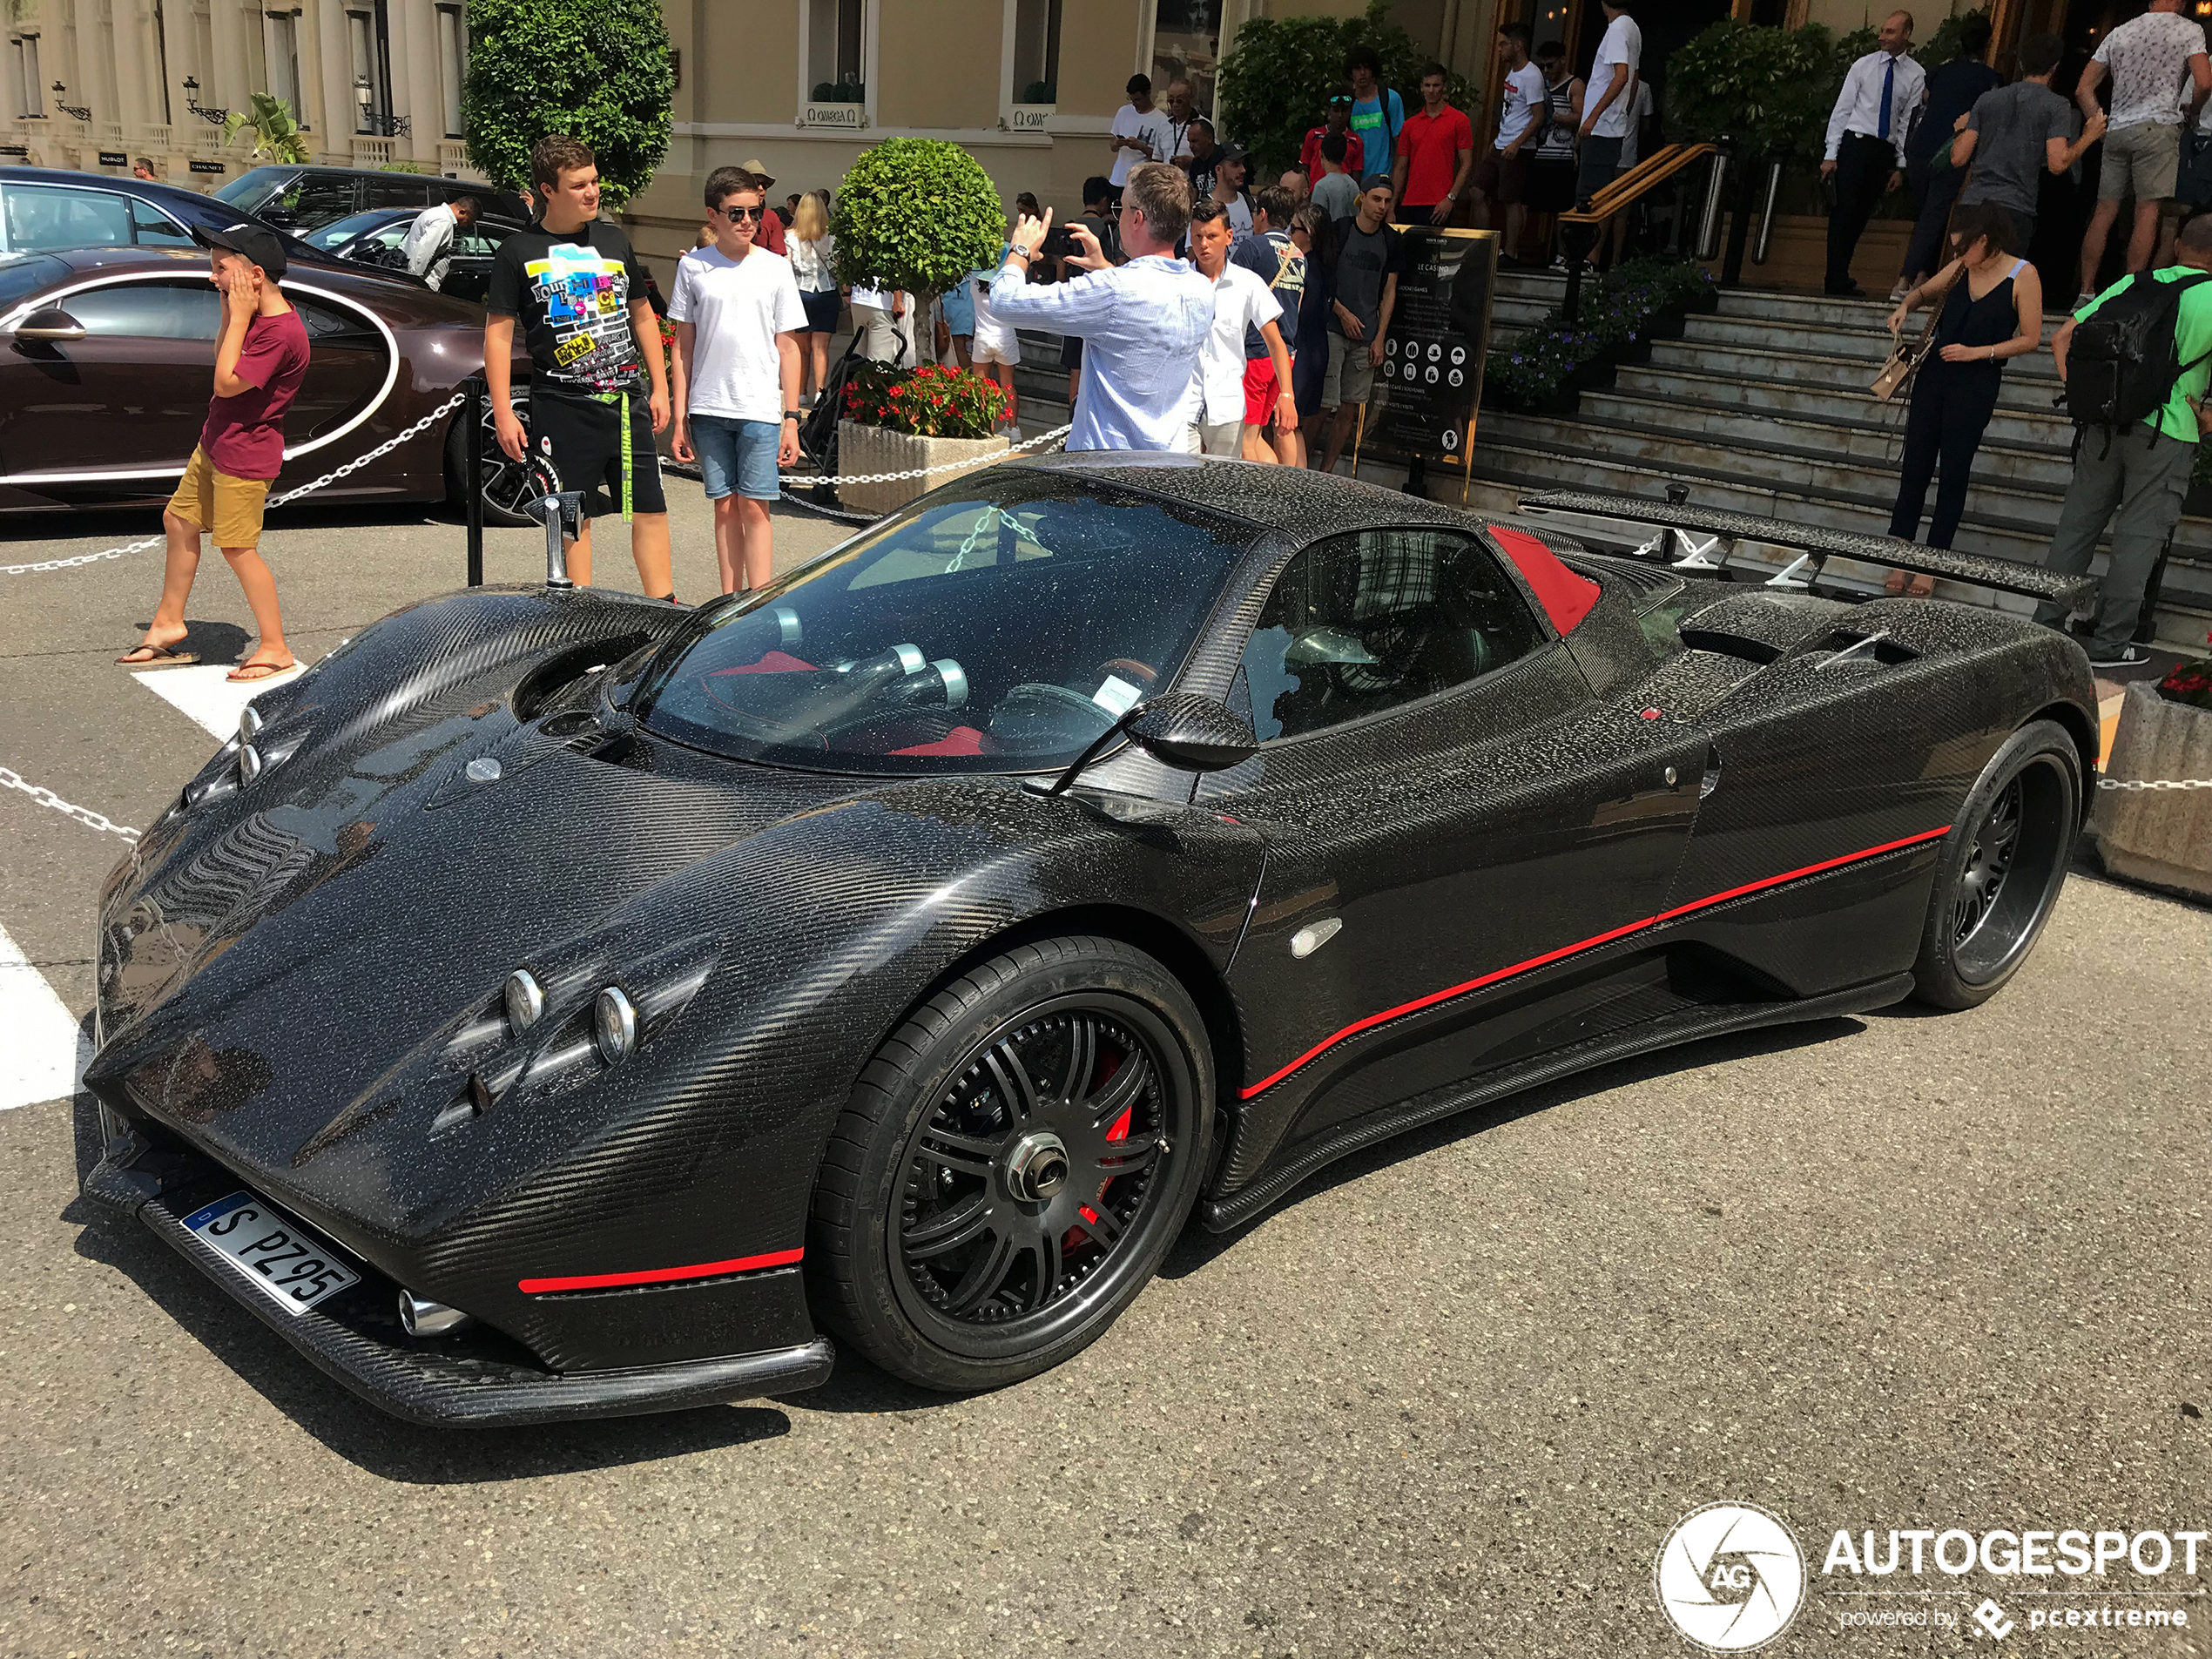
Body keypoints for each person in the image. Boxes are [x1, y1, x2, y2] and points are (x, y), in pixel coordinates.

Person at [485, 134, 674, 600]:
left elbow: (643, 314)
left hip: (625, 398)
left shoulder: (613, 239)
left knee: (648, 507)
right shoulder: (517, 251)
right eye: (578, 185)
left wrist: (660, 386)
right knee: (571, 515)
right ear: (548, 190)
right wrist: (505, 412)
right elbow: (498, 334)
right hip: (562, 404)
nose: (592, 192)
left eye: (594, 181)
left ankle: (666, 609)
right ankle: (578, 610)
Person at [118, 224, 308, 680]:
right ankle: (168, 623)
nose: (213, 278)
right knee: (178, 519)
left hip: (246, 453)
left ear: (254, 275)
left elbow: (224, 384)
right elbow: (222, 356)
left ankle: (275, 646)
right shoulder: (256, 320)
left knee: (238, 547)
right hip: (217, 441)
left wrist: (239, 318)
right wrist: (231, 313)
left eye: (220, 270)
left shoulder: (280, 332)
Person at [2039, 212, 2212, 670]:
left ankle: (2044, 628)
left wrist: (2084, 397)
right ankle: (2109, 645)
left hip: (2101, 426)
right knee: (2138, 539)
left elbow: (2061, 338)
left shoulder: (2132, 283)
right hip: (2167, 432)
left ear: (2177, 247)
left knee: (2076, 528)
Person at [988, 162, 1213, 452]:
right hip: (1165, 465)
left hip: (1106, 473)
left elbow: (1005, 301)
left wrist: (1019, 250)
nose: (1117, 219)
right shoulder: (1201, 290)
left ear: (1137, 219)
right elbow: (1143, 301)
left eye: (1122, 209)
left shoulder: (1114, 290)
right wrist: (1106, 269)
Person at [1883, 205, 2043, 577]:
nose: (1959, 256)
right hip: (1936, 372)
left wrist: (1978, 353)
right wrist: (1905, 306)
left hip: (1976, 380)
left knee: (1954, 470)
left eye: (1964, 248)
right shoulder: (1960, 269)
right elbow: (1923, 293)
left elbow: (2031, 339)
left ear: (1985, 242)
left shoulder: (2023, 274)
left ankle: (1934, 561)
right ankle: (1898, 549)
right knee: (1916, 463)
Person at [667, 167, 803, 597]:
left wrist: (792, 417)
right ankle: (729, 601)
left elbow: (789, 348)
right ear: (714, 214)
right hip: (708, 408)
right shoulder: (692, 268)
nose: (748, 221)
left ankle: (758, 603)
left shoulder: (777, 268)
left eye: (755, 211)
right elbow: (682, 347)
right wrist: (678, 416)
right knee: (724, 507)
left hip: (760, 408)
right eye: (736, 212)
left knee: (756, 507)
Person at [2073, 0, 2212, 307]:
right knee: (2147, 212)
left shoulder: (2121, 32)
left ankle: (2085, 291)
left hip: (2119, 128)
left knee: (2104, 211)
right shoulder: (2188, 29)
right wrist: (2193, 112)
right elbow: (2204, 82)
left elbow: (2083, 88)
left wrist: (2099, 123)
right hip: (2159, 126)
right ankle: (2130, 290)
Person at [1952, 35, 2105, 263]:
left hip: (1973, 204)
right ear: (2055, 67)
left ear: (2021, 64)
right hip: (2014, 209)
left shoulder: (1987, 99)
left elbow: (1958, 158)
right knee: (2001, 284)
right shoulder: (2056, 105)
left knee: (1962, 276)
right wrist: (2088, 137)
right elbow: (2057, 163)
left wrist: (1959, 131)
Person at [1892, 11, 2000, 301]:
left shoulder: (1939, 71)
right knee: (1935, 213)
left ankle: (1922, 276)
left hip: (1919, 149)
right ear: (1987, 44)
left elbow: (1925, 100)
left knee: (1928, 213)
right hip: (1951, 151)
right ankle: (1905, 279)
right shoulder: (1990, 79)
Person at [1820, 11, 1923, 296]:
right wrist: (1831, 154)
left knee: (1862, 213)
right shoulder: (1863, 66)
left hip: (1883, 149)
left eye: (1890, 32)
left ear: (1906, 34)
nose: (1883, 36)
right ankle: (1836, 278)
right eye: (1883, 30)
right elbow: (1842, 110)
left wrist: (1900, 166)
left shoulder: (1916, 75)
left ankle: (1840, 274)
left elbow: (1907, 123)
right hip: (1855, 142)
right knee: (1844, 211)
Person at [1188, 199, 1295, 460]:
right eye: (1197, 236)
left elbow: (1276, 342)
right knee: (1179, 486)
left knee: (1220, 487)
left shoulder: (1247, 283)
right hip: (1183, 403)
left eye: (1211, 236)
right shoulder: (1180, 280)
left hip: (1227, 404)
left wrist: (1287, 394)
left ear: (1228, 236)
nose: (1203, 244)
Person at [1317, 175, 1403, 475]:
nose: (1382, 206)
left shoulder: (1392, 239)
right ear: (1362, 198)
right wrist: (1341, 312)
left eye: (1387, 201)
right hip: (1334, 327)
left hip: (1367, 333)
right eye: (1377, 199)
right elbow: (1324, 281)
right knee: (1324, 402)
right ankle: (1301, 467)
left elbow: (1390, 289)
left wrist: (1380, 336)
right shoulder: (1340, 229)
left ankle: (1326, 470)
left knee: (1350, 406)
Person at [1233, 185, 1306, 464]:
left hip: (1255, 350)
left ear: (1261, 213)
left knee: (1246, 437)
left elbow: (1233, 295)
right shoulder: (1298, 255)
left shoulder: (1253, 247)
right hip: (1284, 353)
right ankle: (1287, 489)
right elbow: (1296, 304)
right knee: (1279, 428)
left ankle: (1257, 498)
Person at [1471, 29, 1545, 248]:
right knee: (1476, 190)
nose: (1500, 49)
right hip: (1501, 143)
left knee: (1511, 200)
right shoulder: (1512, 73)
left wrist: (1517, 143)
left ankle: (1510, 252)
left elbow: (1538, 116)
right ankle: (1482, 246)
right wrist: (1498, 140)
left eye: (1504, 44)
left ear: (1518, 45)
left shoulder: (1532, 75)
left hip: (1519, 147)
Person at [1060, 174, 1128, 404]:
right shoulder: (1110, 229)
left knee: (1075, 372)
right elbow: (1120, 264)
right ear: (1104, 201)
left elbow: (1062, 266)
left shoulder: (1070, 225)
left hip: (1073, 303)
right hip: (1102, 305)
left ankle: (1071, 427)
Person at [1579, 0, 1643, 213]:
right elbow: (1634, 79)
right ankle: (1595, 248)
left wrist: (1593, 116)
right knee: (1602, 196)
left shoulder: (1617, 28)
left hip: (1602, 128)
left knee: (1588, 199)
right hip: (1613, 125)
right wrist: (1625, 110)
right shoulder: (1633, 28)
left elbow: (1622, 76)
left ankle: (1587, 247)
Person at [1397, 61, 1475, 225]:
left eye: (1436, 85)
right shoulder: (1409, 125)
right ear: (1421, 87)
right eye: (1427, 85)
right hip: (1410, 202)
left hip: (1440, 203)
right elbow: (1401, 167)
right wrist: (1391, 206)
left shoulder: (1459, 120)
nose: (1431, 90)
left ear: (1444, 87)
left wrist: (1451, 198)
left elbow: (1466, 163)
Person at [1526, 40, 1583, 260]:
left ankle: (1561, 255)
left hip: (1561, 156)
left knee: (1562, 209)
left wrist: (1551, 116)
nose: (1546, 71)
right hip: (1538, 153)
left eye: (1550, 66)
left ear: (1562, 61)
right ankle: (1529, 252)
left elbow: (1580, 117)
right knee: (1529, 204)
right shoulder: (1540, 84)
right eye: (1542, 67)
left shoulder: (1574, 85)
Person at [970, 215, 1023, 430]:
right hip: (1006, 337)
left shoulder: (975, 285)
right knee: (1008, 386)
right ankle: (1013, 429)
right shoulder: (1007, 285)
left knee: (982, 387)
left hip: (982, 338)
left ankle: (986, 427)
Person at [786, 189, 838, 401]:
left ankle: (801, 393)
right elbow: (836, 266)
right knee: (820, 348)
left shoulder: (790, 238)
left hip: (800, 292)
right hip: (826, 293)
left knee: (801, 349)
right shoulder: (831, 238)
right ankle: (819, 391)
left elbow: (787, 269)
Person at [1345, 46, 1406, 184]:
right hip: (1353, 181)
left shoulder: (1390, 99)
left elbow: (1401, 145)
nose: (1362, 73)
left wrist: (1395, 182)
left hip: (1383, 180)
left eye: (1366, 68)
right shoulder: (1347, 103)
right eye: (1357, 69)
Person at [398, 192, 479, 292]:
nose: (467, 225)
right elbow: (422, 254)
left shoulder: (435, 212)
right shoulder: (443, 221)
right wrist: (414, 284)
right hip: (423, 284)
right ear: (462, 212)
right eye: (469, 221)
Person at [1109, 74, 1171, 188]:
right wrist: (1118, 143)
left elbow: (1161, 158)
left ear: (1148, 94)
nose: (1134, 103)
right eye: (1131, 99)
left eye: (1137, 99)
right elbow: (1112, 145)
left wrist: (1140, 146)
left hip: (1141, 183)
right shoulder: (1123, 112)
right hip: (1118, 179)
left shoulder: (1161, 120)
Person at [1300, 86, 1366, 186]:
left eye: (1344, 111)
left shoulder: (1356, 141)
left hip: (1342, 193)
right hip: (1315, 193)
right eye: (1336, 111)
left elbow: (1356, 176)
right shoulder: (1314, 135)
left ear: (1350, 112)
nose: (1340, 115)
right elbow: (1304, 168)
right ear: (1329, 112)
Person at [848, 278, 914, 365]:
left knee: (860, 359)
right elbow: (895, 271)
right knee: (880, 363)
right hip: (880, 303)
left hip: (858, 299)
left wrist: (847, 293)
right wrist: (898, 301)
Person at [738, 158, 788, 255]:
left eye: (764, 185)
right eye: (756, 183)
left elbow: (779, 254)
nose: (761, 188)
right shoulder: (728, 214)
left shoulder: (770, 217)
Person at [1207, 142, 1254, 245]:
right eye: (1235, 165)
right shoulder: (1203, 208)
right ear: (1219, 169)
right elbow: (1192, 254)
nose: (1243, 170)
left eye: (1242, 164)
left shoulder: (1250, 203)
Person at [1312, 131, 1360, 223]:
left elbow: (1316, 223)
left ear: (1321, 153)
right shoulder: (1353, 185)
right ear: (1345, 156)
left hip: (1329, 236)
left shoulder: (1322, 187)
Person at [1180, 118, 1223, 199]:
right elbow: (1194, 192)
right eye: (1189, 142)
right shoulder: (1196, 164)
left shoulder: (1223, 160)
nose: (1190, 146)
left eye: (1195, 141)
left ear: (1209, 138)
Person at [1163, 79, 1200, 162]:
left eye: (1179, 101)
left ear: (1190, 100)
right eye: (1171, 101)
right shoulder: (1163, 125)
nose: (1175, 105)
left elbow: (1213, 160)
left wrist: (1192, 162)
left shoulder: (1203, 125)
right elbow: (1158, 159)